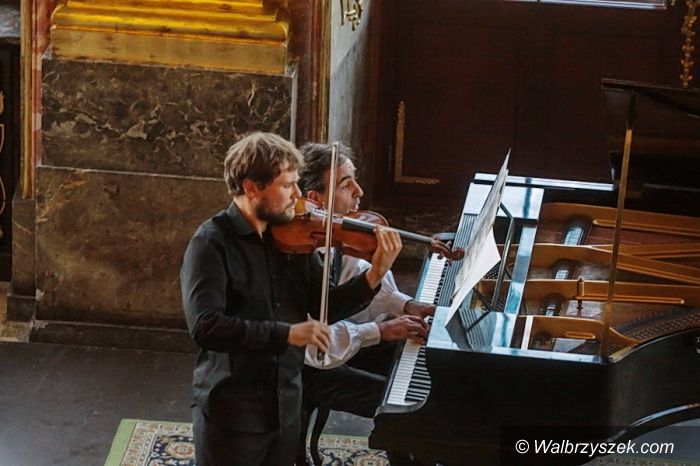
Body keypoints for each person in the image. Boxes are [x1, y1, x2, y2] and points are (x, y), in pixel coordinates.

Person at [180, 132, 402, 466]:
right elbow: (206, 327)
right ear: (251, 187)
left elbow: (324, 307)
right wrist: (287, 333)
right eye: (287, 185)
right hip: (234, 411)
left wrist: (374, 276)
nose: (298, 195)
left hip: (286, 403)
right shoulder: (210, 244)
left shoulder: (292, 238)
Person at [297, 142, 436, 464]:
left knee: (418, 362)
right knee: (400, 404)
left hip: (334, 347)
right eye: (346, 184)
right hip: (306, 368)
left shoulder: (334, 235)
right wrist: (380, 331)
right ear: (315, 199)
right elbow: (317, 351)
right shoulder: (302, 255)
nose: (359, 191)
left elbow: (356, 283)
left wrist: (405, 306)